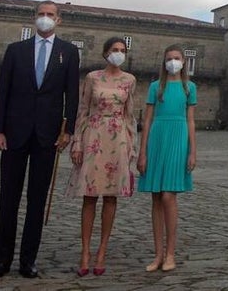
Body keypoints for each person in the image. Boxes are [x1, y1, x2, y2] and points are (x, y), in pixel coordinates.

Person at [0, 1, 80, 280]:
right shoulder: (16, 50)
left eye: (50, 15)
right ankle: (2, 259)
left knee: (37, 200)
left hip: (47, 135)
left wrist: (68, 130)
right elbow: (3, 90)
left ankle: (28, 260)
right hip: (14, 132)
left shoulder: (68, 52)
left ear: (59, 20)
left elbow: (71, 94)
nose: (45, 18)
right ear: (33, 17)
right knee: (8, 198)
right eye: (41, 14)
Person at [66, 37, 137, 276]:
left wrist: (132, 146)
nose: (119, 53)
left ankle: (102, 251)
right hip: (94, 135)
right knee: (89, 197)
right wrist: (77, 142)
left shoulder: (130, 80)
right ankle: (85, 251)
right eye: (115, 49)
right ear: (106, 53)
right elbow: (83, 110)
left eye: (122, 50)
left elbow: (129, 115)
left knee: (110, 197)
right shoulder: (92, 78)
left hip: (118, 138)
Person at [137, 45, 197, 272]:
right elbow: (147, 120)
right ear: (164, 62)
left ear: (183, 61)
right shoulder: (155, 87)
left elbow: (190, 120)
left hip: (178, 138)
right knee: (156, 197)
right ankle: (158, 254)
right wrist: (142, 151)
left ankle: (171, 252)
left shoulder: (189, 87)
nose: (173, 62)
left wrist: (192, 151)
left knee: (168, 196)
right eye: (169, 58)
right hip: (157, 138)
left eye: (177, 58)